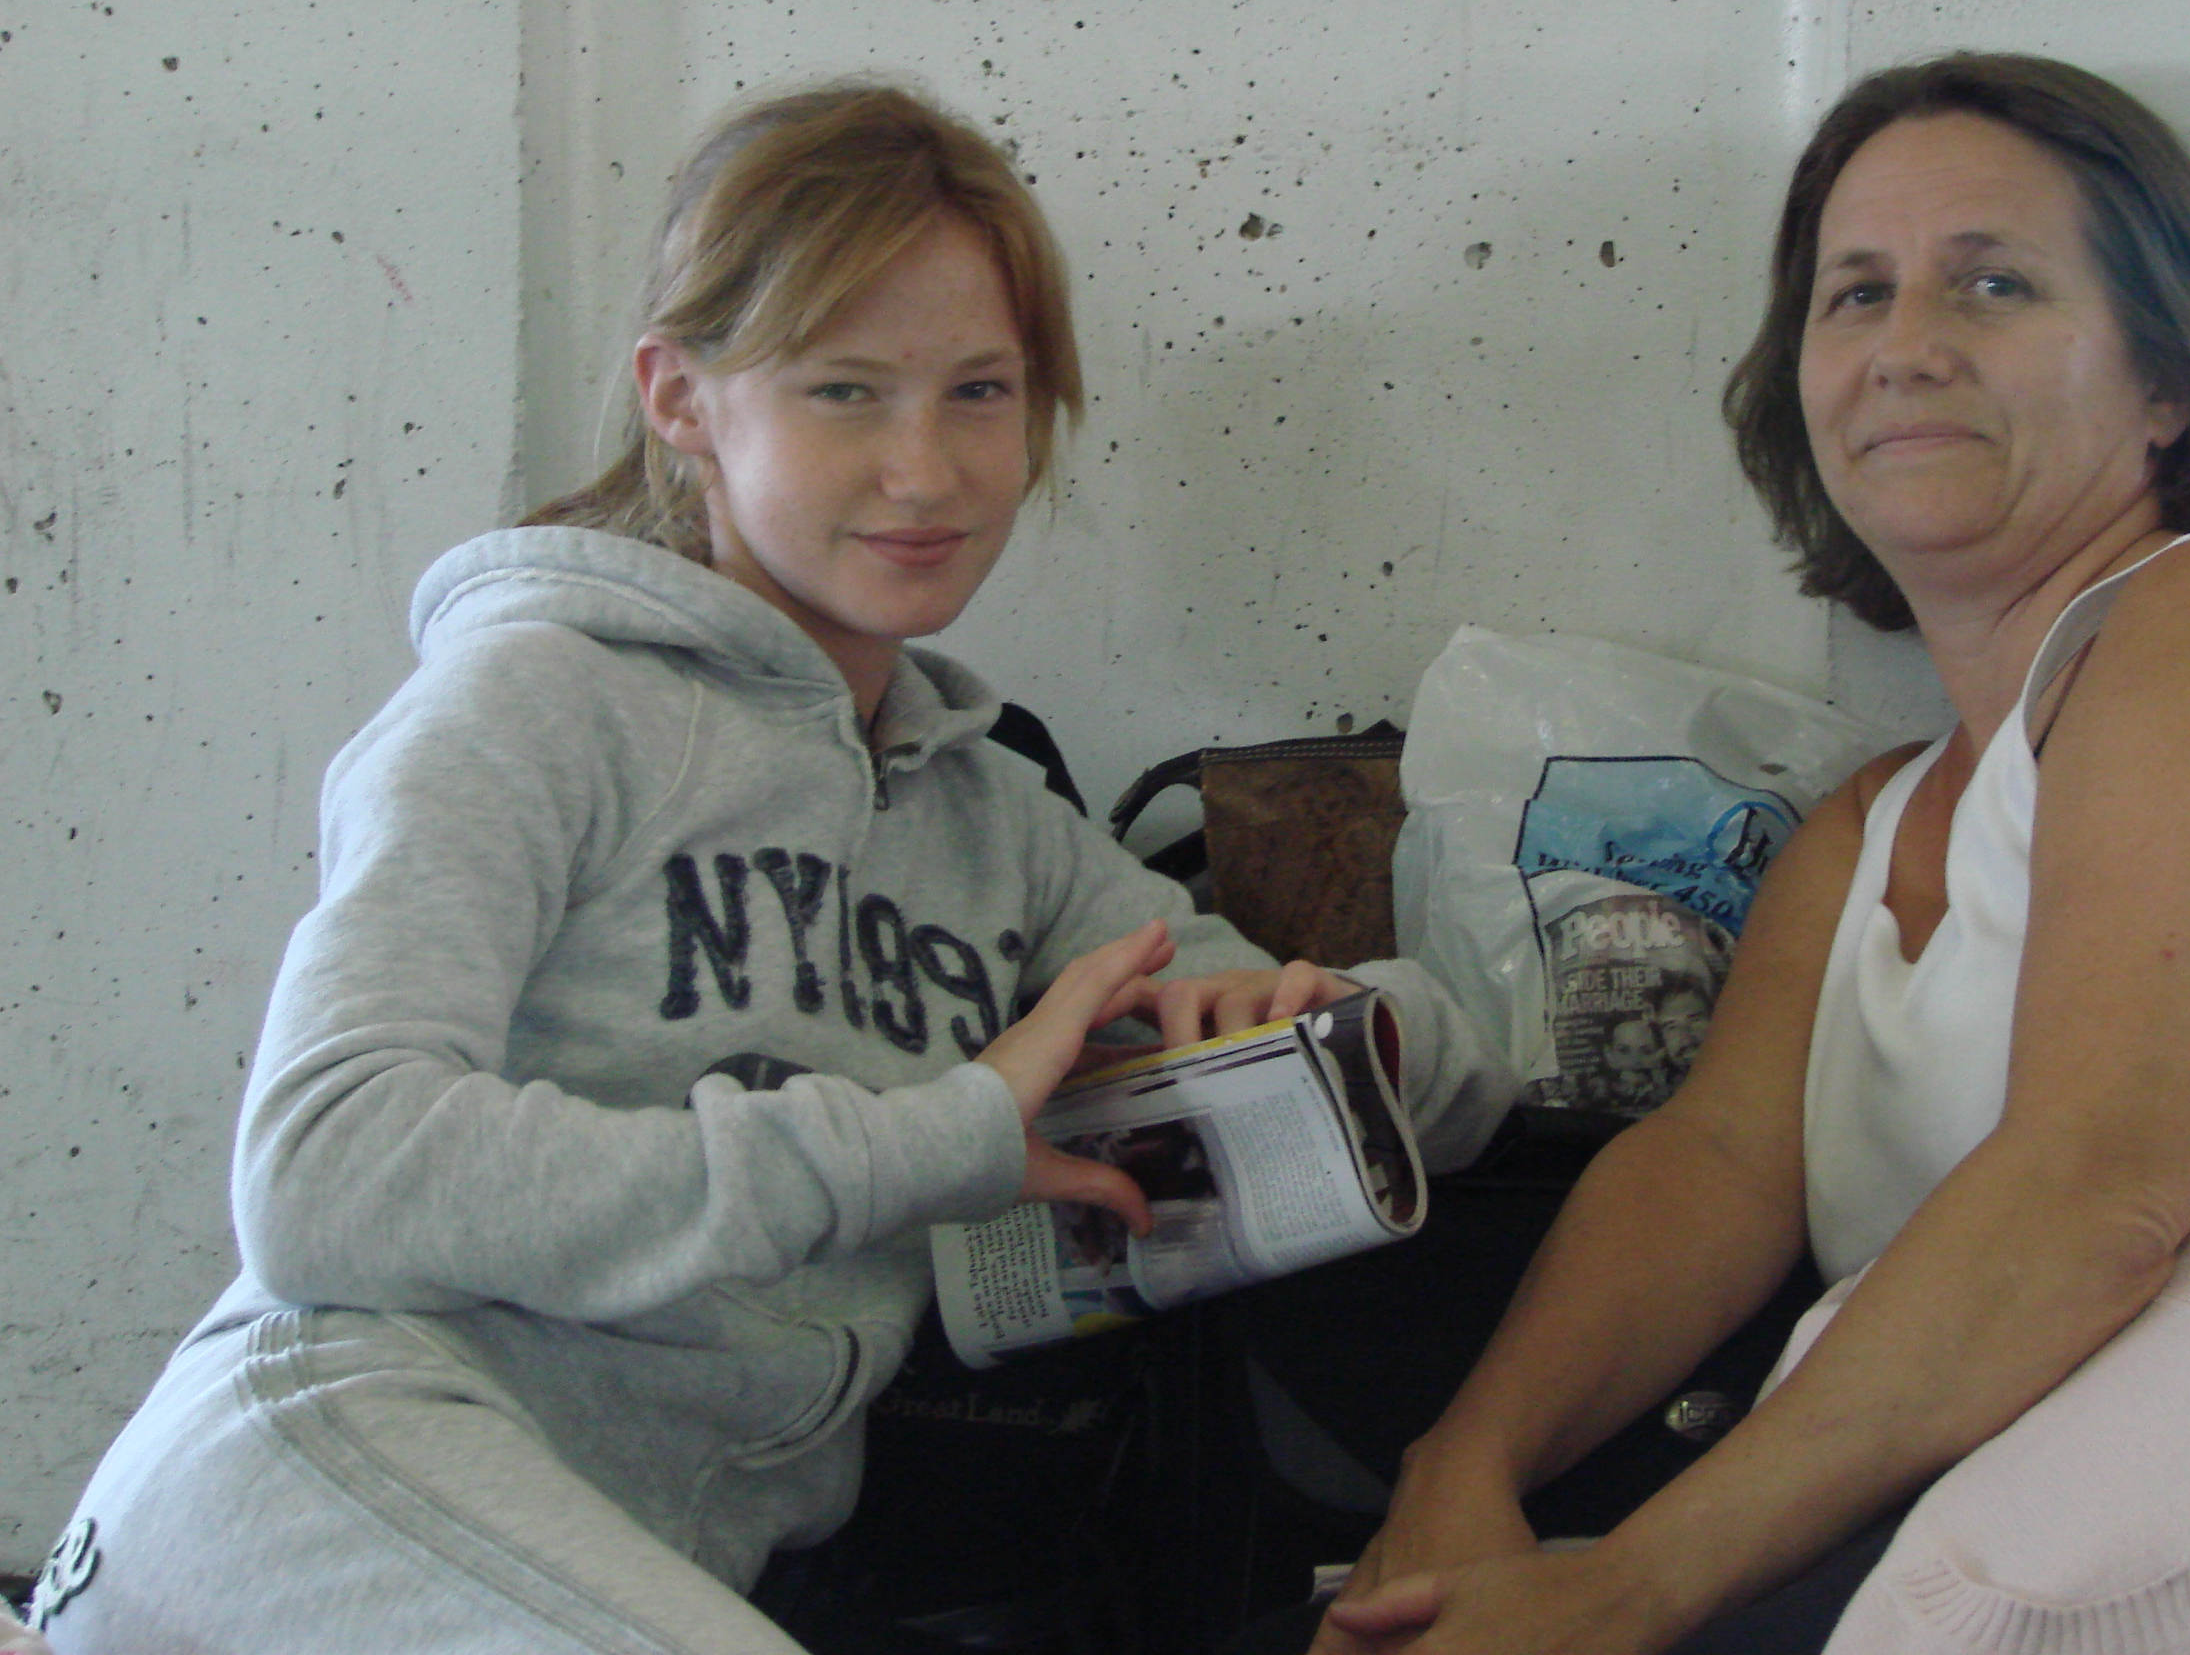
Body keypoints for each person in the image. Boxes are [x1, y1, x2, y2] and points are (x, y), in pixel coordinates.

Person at [33, 81, 1514, 1655]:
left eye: (981, 392)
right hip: (328, 1481)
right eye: (844, 392)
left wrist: (1339, 1036)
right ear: (682, 399)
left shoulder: (995, 825)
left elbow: (1445, 1080)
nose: (926, 472)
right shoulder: (534, 701)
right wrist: (938, 1137)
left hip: (650, 1575)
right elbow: (324, 1177)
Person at [1309, 54, 2190, 1655]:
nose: (1906, 346)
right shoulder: (1871, 826)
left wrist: (1625, 1588)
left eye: (1993, 283)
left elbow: (2096, 1190)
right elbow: (1718, 1168)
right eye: (1856, 294)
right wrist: (1462, 1470)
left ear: (2168, 383)